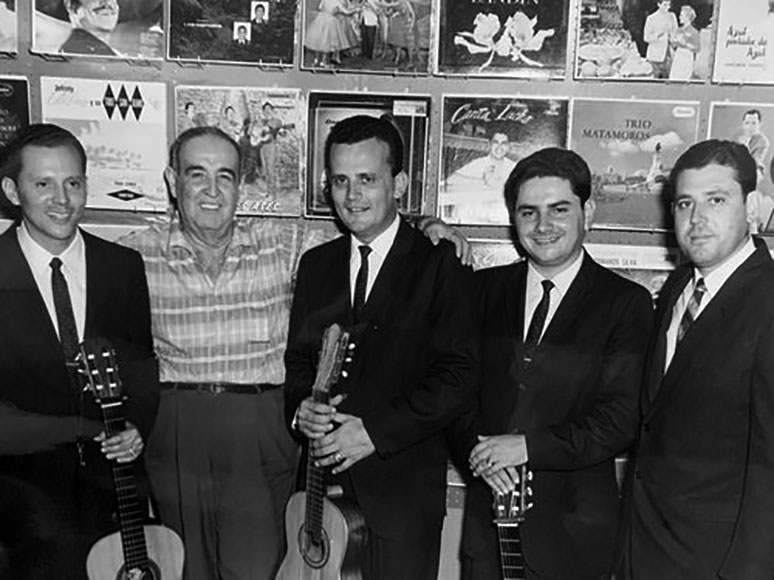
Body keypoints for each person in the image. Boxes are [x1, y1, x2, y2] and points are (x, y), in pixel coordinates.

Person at [118, 125, 469, 580]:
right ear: (171, 180)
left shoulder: (286, 246)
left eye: (225, 175)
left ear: (240, 183)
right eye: (195, 174)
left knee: (260, 567)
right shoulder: (131, 256)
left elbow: (379, 230)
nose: (211, 190)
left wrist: (429, 225)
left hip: (272, 443)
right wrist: (301, 406)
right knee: (186, 567)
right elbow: (302, 358)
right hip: (177, 437)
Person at [285, 115, 479, 580]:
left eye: (367, 179)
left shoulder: (440, 263)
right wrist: (299, 411)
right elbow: (298, 363)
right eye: (340, 181)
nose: (353, 196)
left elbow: (459, 377)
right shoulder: (315, 265)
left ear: (400, 183)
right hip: (319, 495)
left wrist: (374, 432)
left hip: (402, 500)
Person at [450, 147, 652, 580]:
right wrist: (477, 449)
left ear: (588, 211)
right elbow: (453, 393)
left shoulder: (626, 304)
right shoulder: (479, 291)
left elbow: (620, 419)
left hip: (574, 538)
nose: (543, 227)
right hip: (486, 536)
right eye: (528, 212)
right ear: (513, 219)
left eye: (559, 209)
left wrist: (526, 447)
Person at [0, 123, 159, 579]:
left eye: (73, 183)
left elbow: (142, 367)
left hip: (114, 494)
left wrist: (136, 426)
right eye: (43, 184)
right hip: (24, 503)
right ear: (13, 190)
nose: (62, 199)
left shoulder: (121, 267)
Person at [619, 139, 774, 579]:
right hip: (644, 548)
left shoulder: (769, 300)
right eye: (685, 203)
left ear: (752, 207)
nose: (697, 218)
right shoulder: (679, 288)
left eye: (717, 200)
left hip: (718, 563)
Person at [643, 0, 677, 79]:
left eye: (669, 4)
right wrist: (658, 34)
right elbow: (646, 38)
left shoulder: (672, 16)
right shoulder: (651, 18)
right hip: (655, 56)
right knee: (655, 81)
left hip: (668, 55)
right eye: (665, 5)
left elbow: (675, 33)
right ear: (659, 4)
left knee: (668, 80)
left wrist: (672, 38)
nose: (668, 7)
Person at [737, 109, 770, 185]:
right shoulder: (739, 138)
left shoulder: (763, 142)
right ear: (743, 124)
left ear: (759, 124)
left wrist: (745, 146)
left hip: (754, 171)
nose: (750, 127)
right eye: (747, 123)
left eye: (754, 123)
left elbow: (754, 161)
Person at [668, 4, 699, 80]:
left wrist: (684, 44)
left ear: (687, 17)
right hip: (678, 56)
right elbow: (673, 43)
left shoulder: (694, 32)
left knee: (684, 77)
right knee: (674, 77)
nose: (679, 17)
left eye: (681, 15)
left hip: (687, 56)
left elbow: (697, 48)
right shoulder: (679, 30)